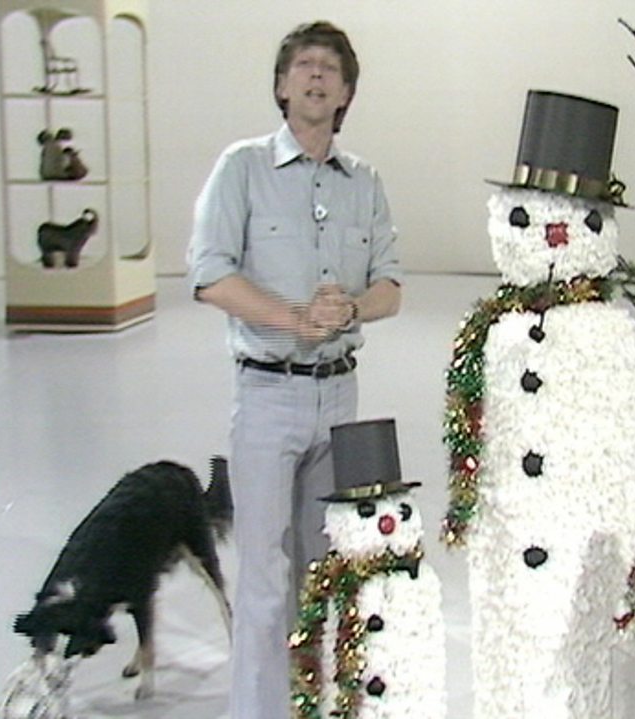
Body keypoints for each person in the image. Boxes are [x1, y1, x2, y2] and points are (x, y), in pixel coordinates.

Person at [185, 21, 402, 719]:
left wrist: (350, 310)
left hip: (339, 395)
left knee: (324, 566)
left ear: (345, 94)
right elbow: (210, 275)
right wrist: (292, 318)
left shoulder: (364, 182)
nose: (316, 76)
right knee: (263, 578)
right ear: (282, 86)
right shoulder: (241, 168)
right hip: (267, 395)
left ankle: (317, 703)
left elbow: (391, 287)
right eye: (304, 66)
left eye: (331, 70)